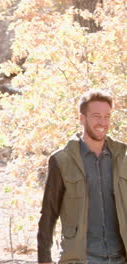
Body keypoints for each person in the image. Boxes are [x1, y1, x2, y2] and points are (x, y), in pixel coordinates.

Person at [37, 90, 126, 264]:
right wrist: (44, 258)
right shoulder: (62, 159)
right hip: (82, 258)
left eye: (107, 116)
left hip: (120, 257)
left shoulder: (123, 156)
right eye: (96, 116)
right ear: (82, 118)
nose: (102, 122)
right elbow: (49, 213)